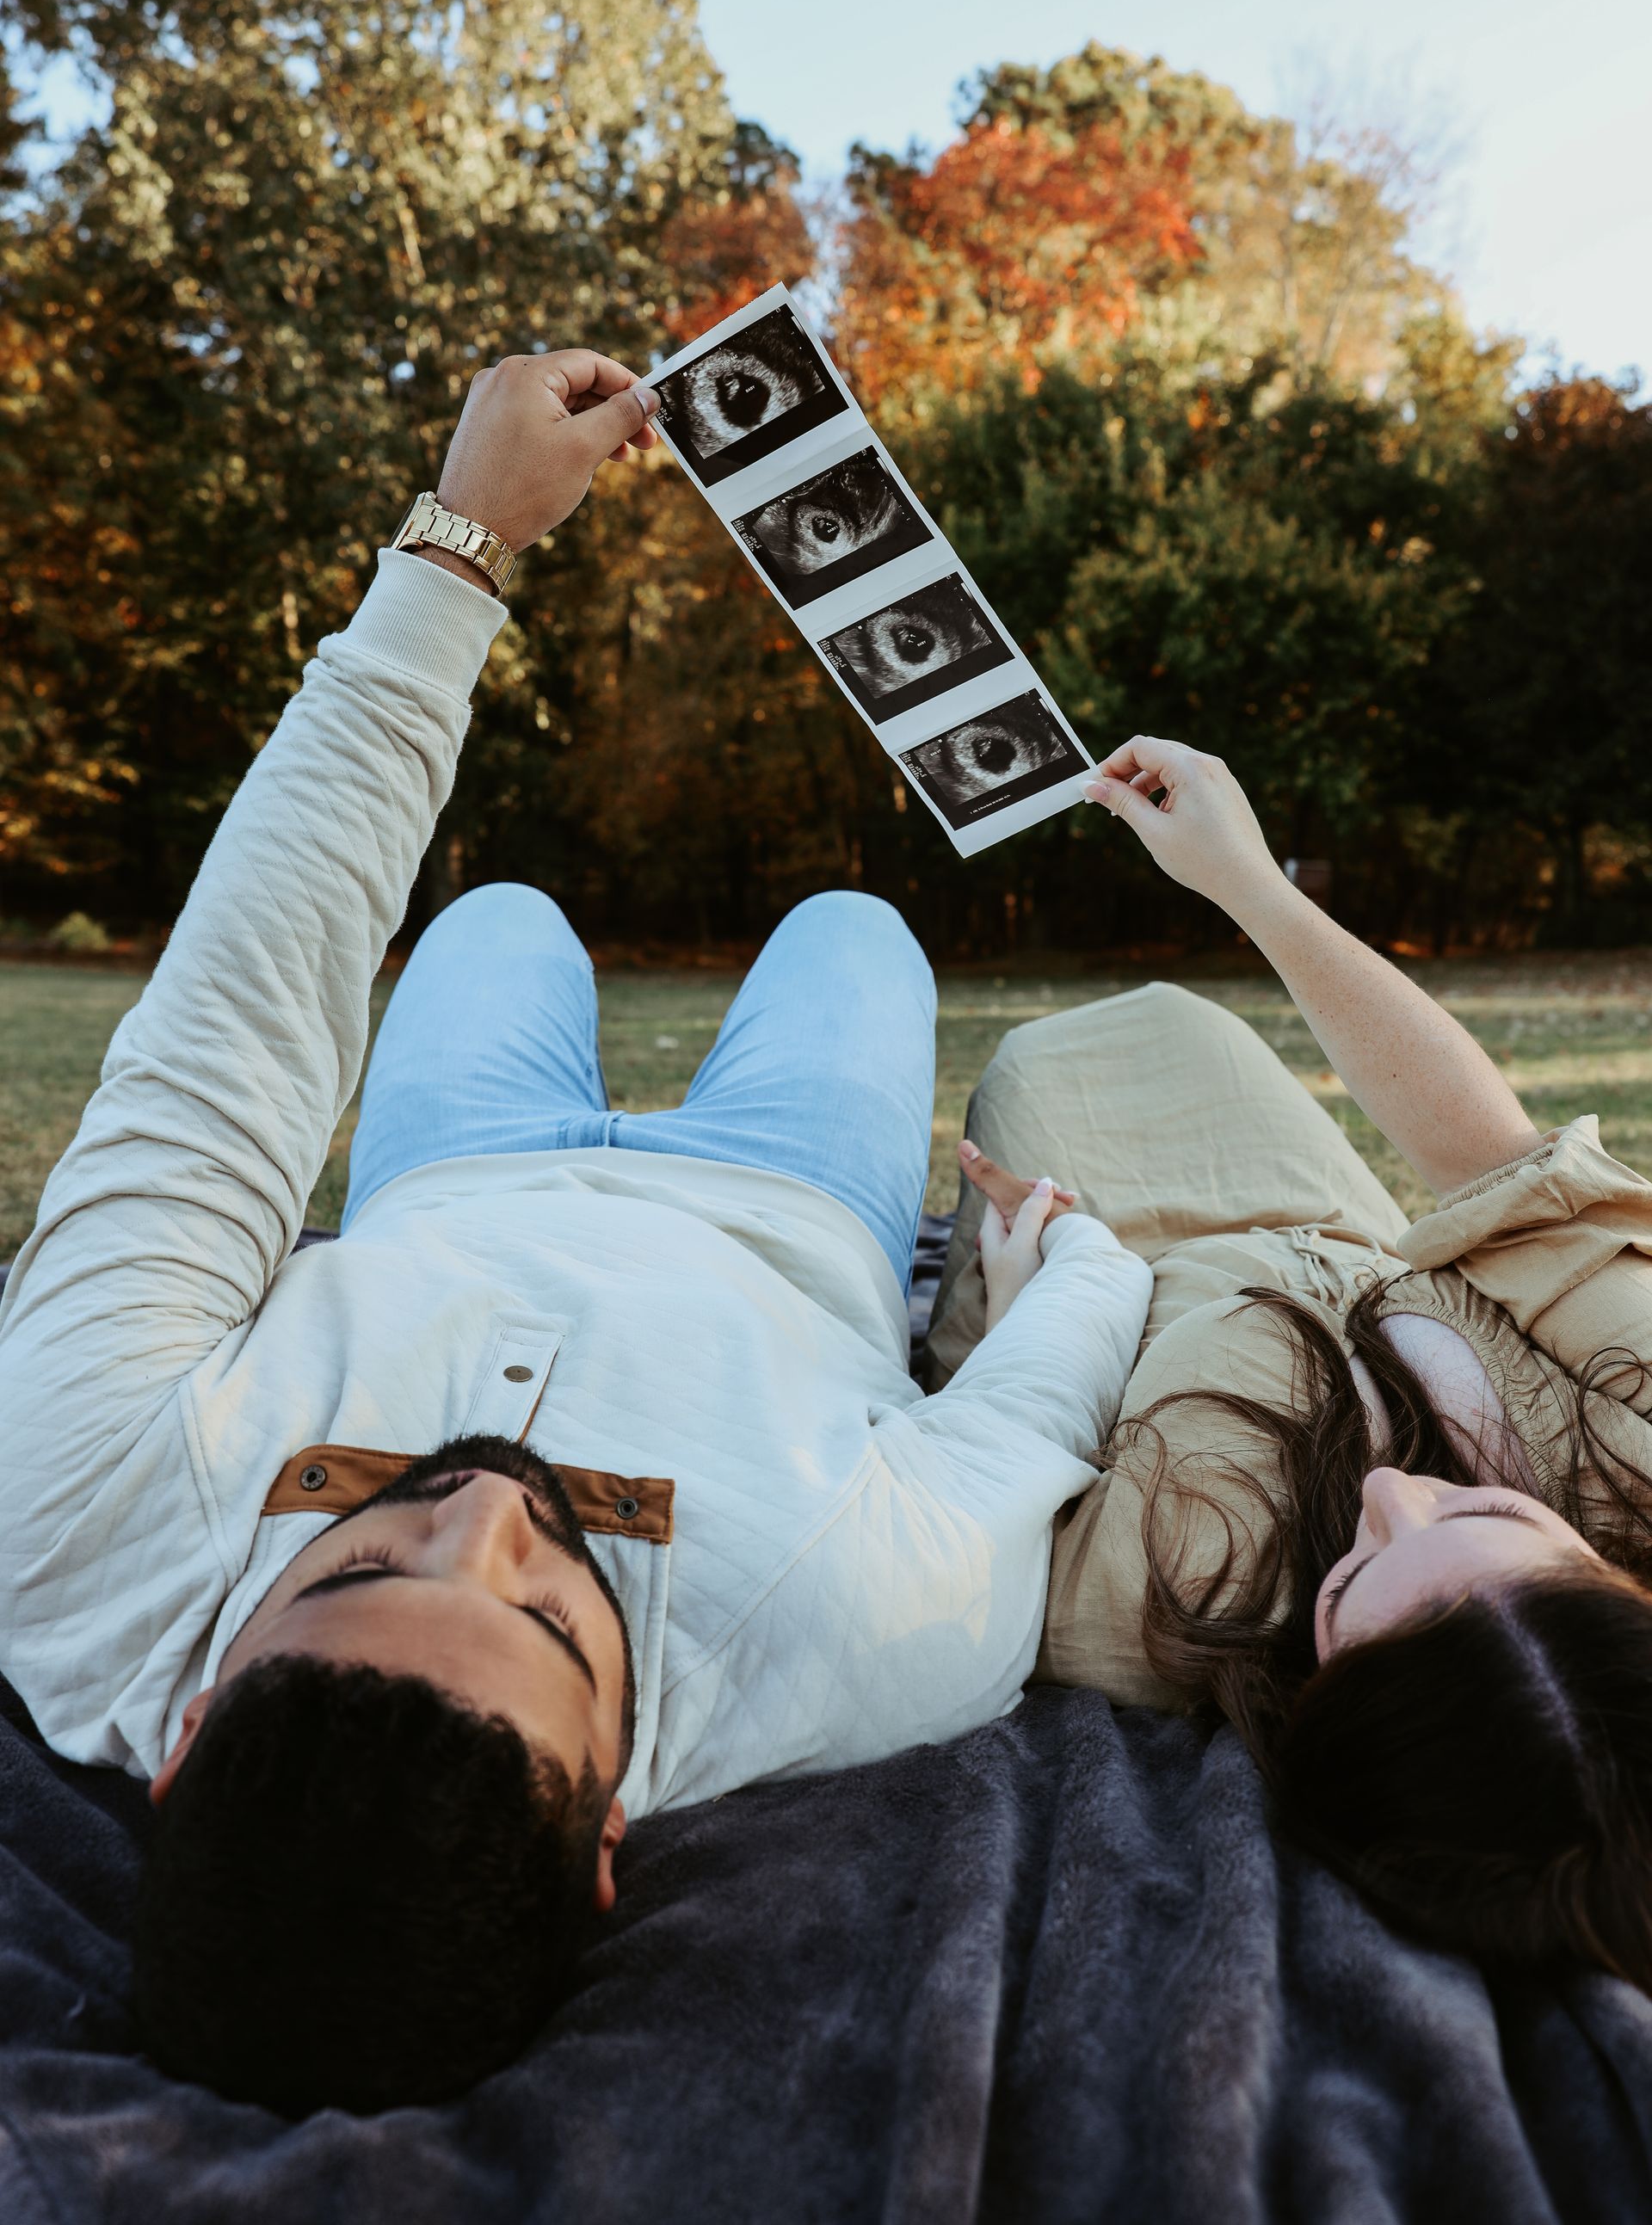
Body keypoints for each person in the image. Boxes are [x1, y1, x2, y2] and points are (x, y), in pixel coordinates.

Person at [0, 350, 1152, 2117]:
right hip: (789, 1208)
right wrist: (1058, 1257)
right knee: (856, 929)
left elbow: (230, 1032)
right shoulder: (871, 1635)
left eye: (359, 1571)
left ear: (183, 1735)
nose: (484, 1512)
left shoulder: (65, 1532)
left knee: (505, 911)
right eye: (543, 1617)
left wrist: (459, 545)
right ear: (611, 1828)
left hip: (453, 1171)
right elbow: (1050, 1392)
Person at [932, 736, 1652, 1994]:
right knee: (1168, 1013)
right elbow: (1501, 1166)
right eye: (1483, 1510)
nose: (1387, 1493)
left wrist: (1024, 1279)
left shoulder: (1167, 1601)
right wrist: (1250, 886)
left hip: (1117, 1253)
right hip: (1314, 1209)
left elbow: (1004, 1425)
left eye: (1350, 1582)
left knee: (1040, 1065)